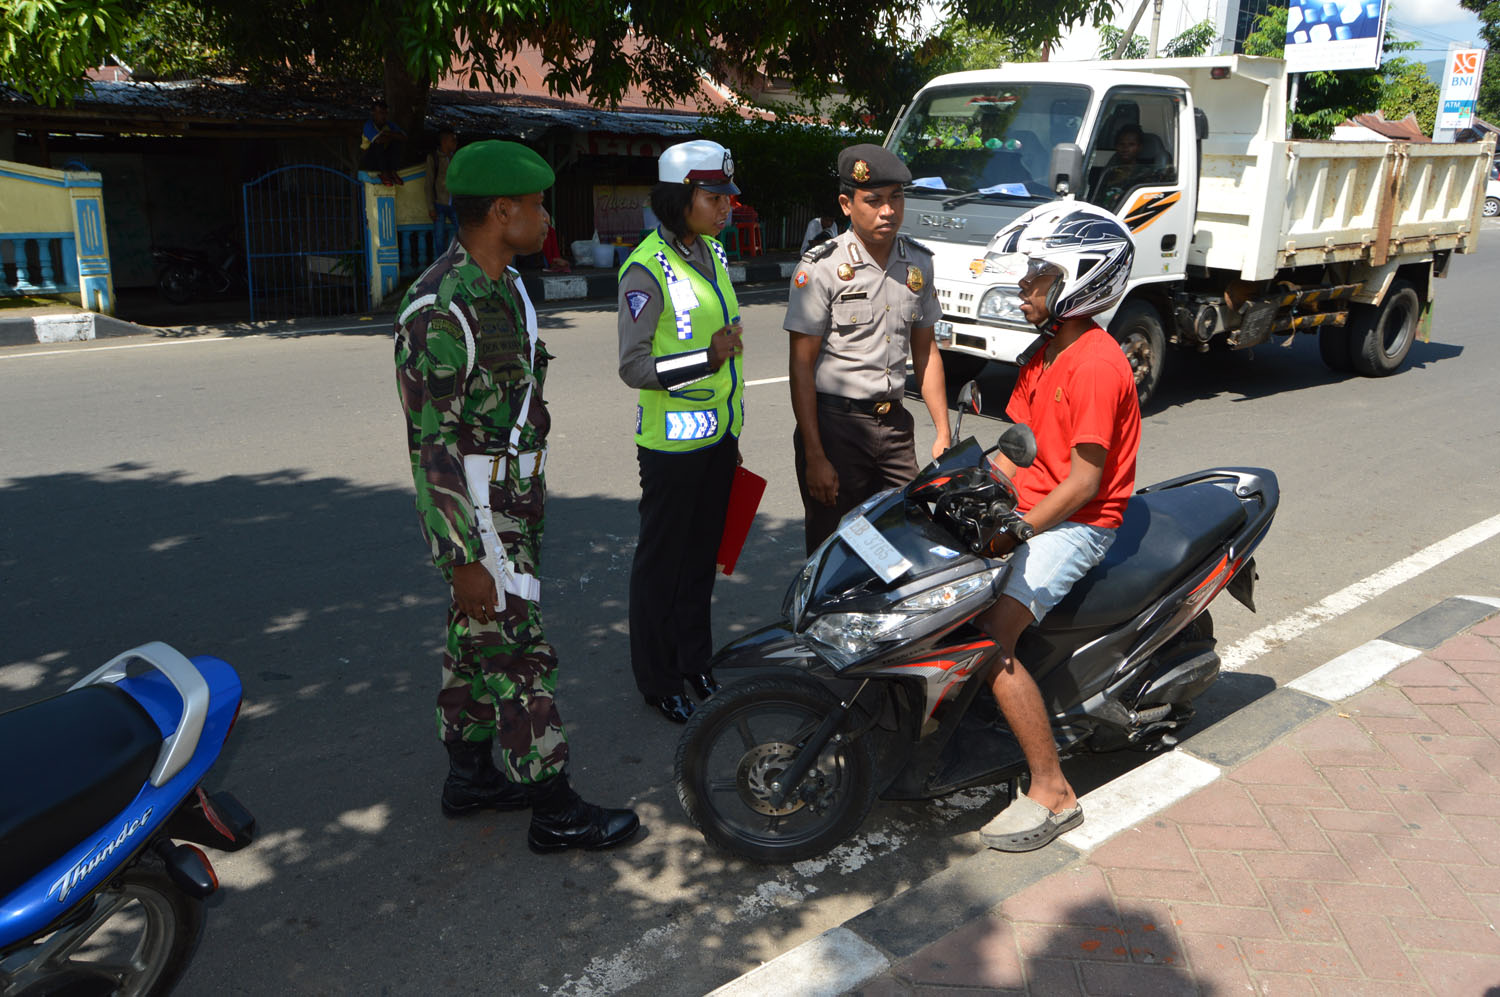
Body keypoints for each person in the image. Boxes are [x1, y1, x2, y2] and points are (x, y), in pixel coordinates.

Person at [393, 139, 640, 852]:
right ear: (501, 212)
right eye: (535, 206)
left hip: (514, 502)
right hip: (480, 518)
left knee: (474, 642)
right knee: (518, 652)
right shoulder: (441, 310)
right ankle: (555, 804)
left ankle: (468, 776)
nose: (545, 219)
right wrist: (463, 556)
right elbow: (431, 446)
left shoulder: (506, 289)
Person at [971, 201, 1141, 853]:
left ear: (1077, 276)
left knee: (991, 635)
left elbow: (1082, 483)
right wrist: (962, 486)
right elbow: (1021, 450)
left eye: (1035, 277)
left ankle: (1052, 789)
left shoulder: (1096, 363)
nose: (1021, 289)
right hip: (1034, 506)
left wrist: (1014, 529)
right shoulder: (1043, 354)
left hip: (1078, 522)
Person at [616, 139, 745, 724]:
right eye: (713, 197)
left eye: (727, 197)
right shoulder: (645, 268)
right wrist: (706, 359)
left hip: (718, 440)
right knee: (662, 565)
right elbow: (633, 366)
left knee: (701, 561)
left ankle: (694, 660)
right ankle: (658, 677)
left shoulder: (711, 253)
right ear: (679, 197)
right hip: (670, 447)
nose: (726, 208)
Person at [784, 143, 950, 555]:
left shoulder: (919, 265)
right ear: (846, 203)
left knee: (902, 545)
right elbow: (801, 366)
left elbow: (926, 353)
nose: (888, 211)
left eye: (896, 198)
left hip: (894, 427)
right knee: (832, 554)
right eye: (873, 201)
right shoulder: (821, 267)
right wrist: (815, 455)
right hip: (836, 428)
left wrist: (943, 432)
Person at [1094, 124, 1154, 207]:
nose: (1125, 148)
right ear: (1116, 146)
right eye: (1121, 144)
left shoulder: (1146, 174)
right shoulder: (1108, 172)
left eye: (1131, 144)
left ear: (1139, 147)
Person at [425, 126, 458, 250]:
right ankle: (441, 265)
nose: (455, 142)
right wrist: (430, 208)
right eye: (452, 140)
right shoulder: (434, 158)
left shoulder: (456, 158)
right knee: (439, 238)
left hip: (454, 203)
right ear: (444, 141)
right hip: (439, 204)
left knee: (463, 234)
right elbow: (428, 184)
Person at [360, 98, 406, 185]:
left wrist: (389, 134)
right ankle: (384, 173)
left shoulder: (389, 124)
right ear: (373, 113)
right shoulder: (369, 125)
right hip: (369, 160)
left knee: (397, 142)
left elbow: (403, 137)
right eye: (380, 113)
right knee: (378, 144)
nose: (383, 116)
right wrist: (392, 136)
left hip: (383, 159)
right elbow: (378, 140)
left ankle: (392, 172)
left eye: (385, 113)